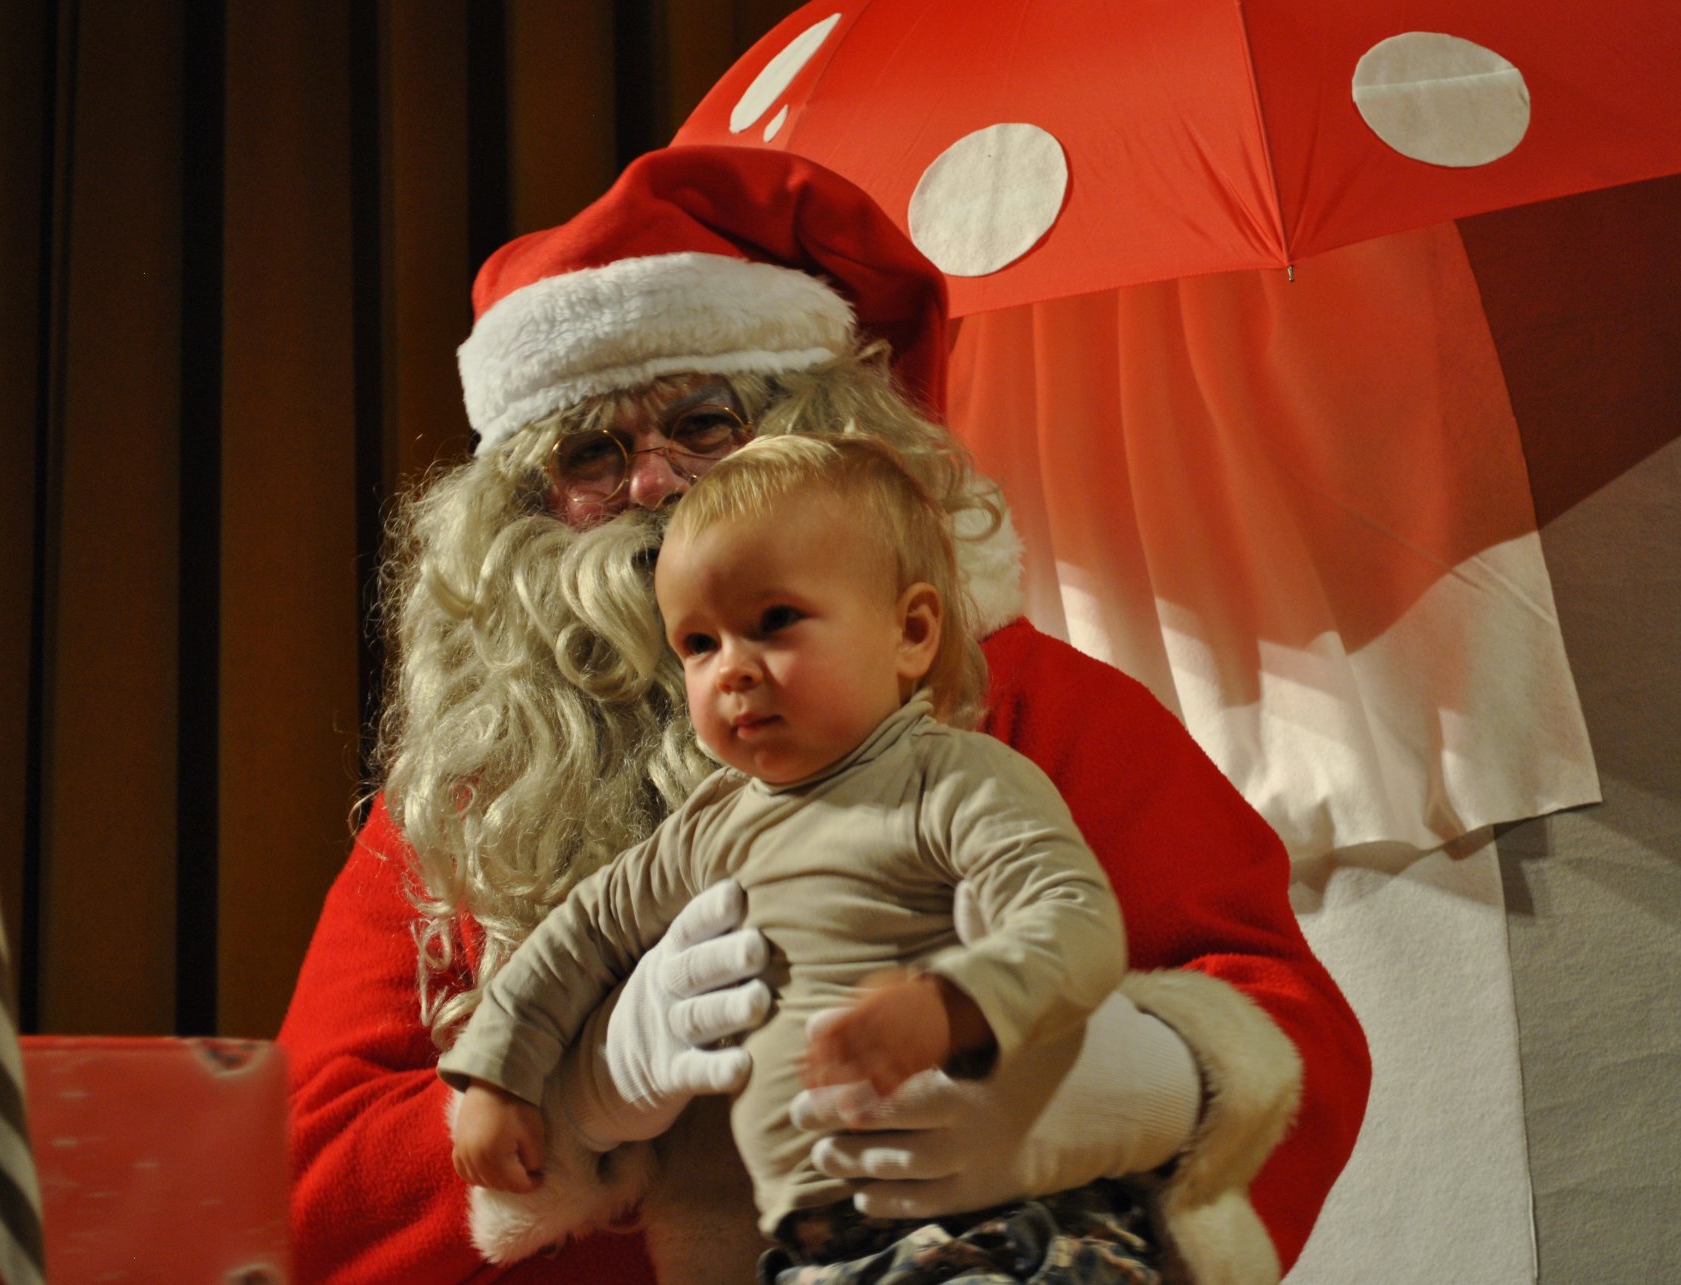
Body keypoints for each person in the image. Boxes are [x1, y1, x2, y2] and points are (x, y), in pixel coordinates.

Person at [276, 143, 1371, 1285]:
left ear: (823, 436)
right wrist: (582, 1094)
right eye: (589, 454)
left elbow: (1287, 1027)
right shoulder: (472, 798)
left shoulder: (1022, 701)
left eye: (704, 426)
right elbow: (303, 1182)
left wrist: (1079, 1089)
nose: (651, 485)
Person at [444, 434, 1156, 1279]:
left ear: (911, 632)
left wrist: (956, 1004)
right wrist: (501, 1074)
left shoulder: (952, 779)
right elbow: (582, 933)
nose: (730, 670)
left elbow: (1076, 919)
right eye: (698, 643)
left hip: (1000, 1218)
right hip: (820, 1249)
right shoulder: (711, 826)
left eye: (774, 621)